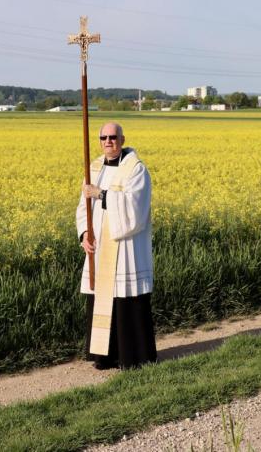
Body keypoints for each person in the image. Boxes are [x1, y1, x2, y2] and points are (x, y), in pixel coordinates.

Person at [76, 121, 157, 370]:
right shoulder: (95, 168)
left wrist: (100, 194)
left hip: (125, 249)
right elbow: (82, 207)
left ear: (122, 139)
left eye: (113, 137)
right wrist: (84, 233)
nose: (108, 141)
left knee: (125, 300)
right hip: (100, 248)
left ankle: (134, 357)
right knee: (103, 298)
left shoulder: (136, 169)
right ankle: (105, 355)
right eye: (103, 138)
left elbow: (134, 210)